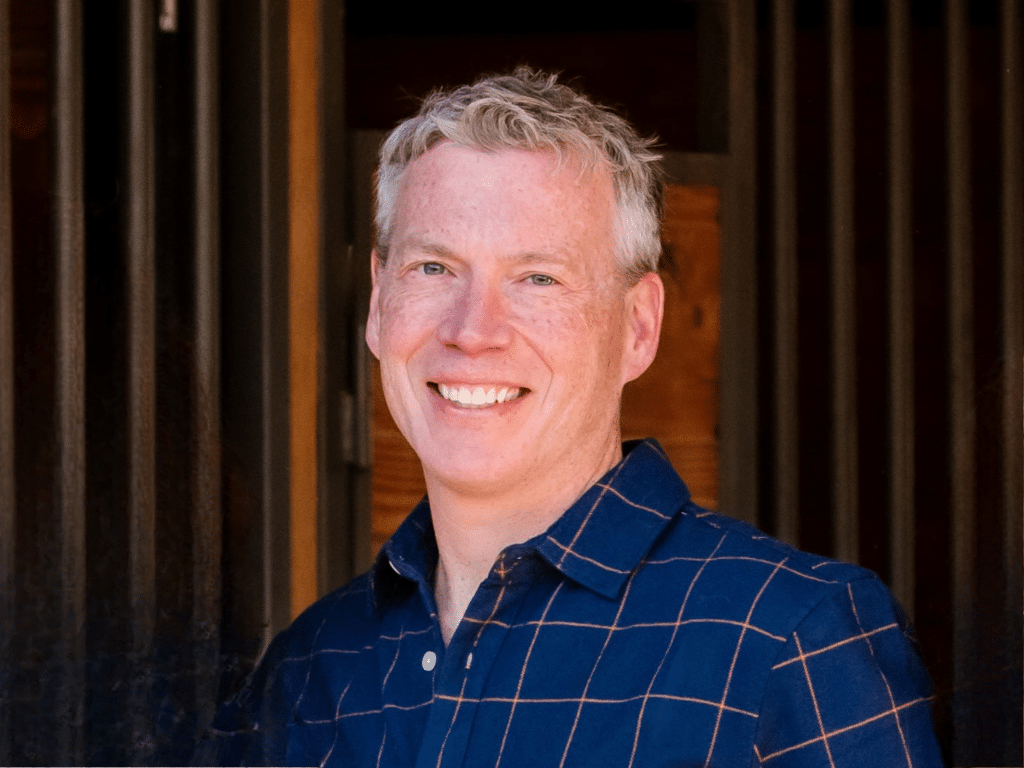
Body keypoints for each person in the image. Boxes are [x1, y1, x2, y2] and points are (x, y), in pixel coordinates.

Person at [196, 68, 944, 767]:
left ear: (639, 327)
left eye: (538, 278)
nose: (472, 330)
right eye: (434, 268)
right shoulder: (311, 669)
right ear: (377, 303)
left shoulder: (788, 637)